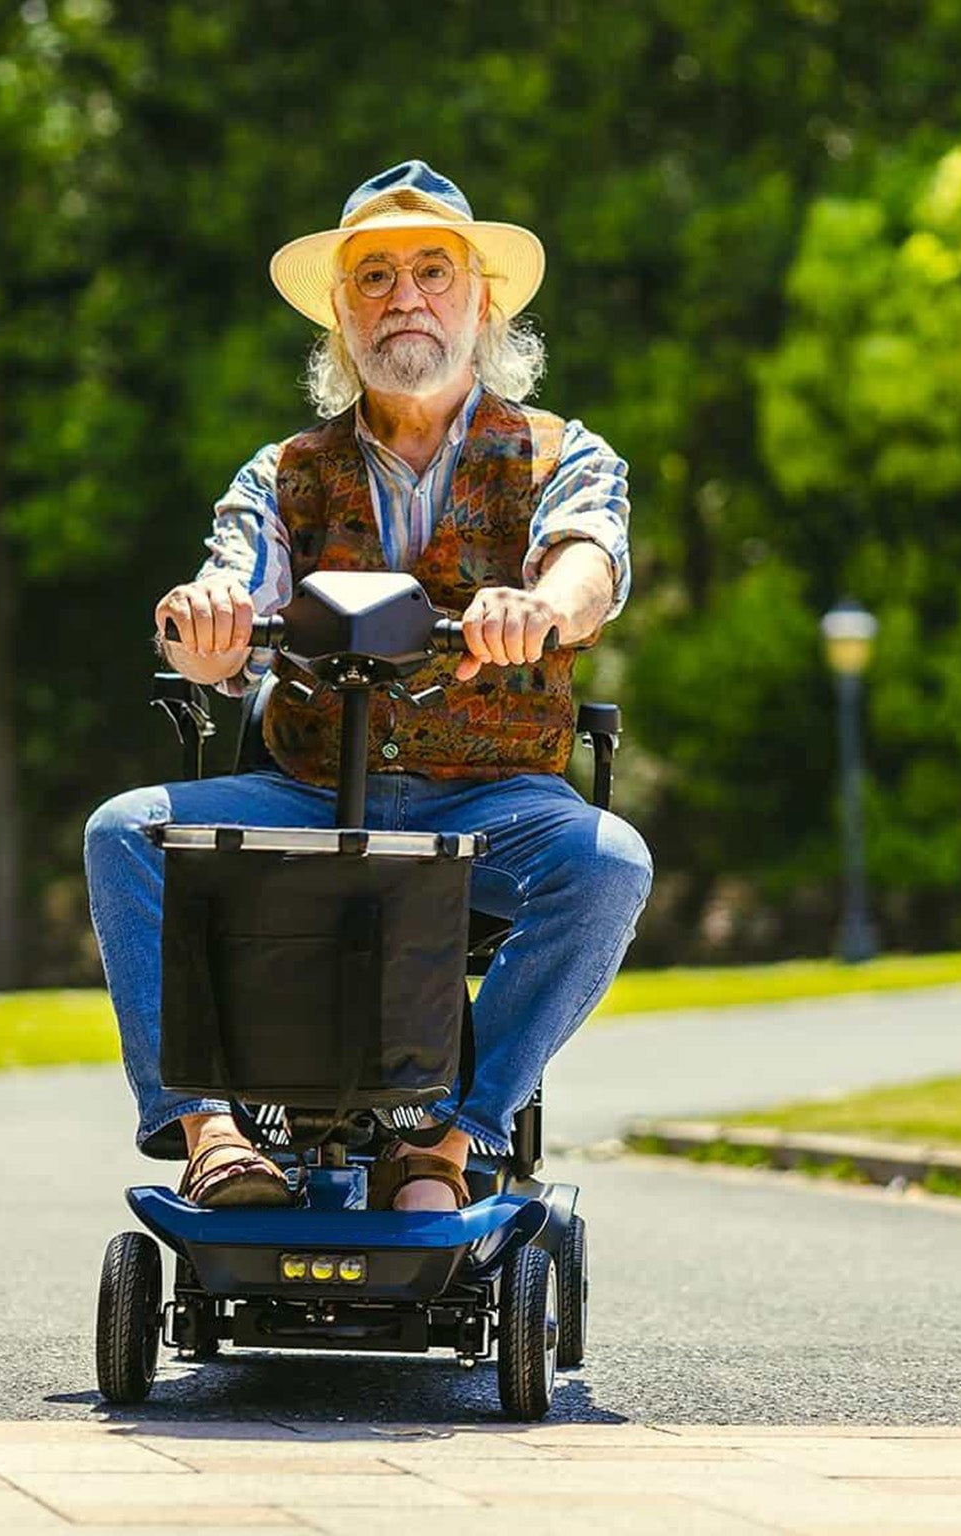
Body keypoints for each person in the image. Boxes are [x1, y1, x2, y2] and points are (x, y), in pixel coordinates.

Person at [85, 161, 652, 1213]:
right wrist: (207, 629)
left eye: (432, 271)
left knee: (609, 862)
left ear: (481, 301)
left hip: (490, 801)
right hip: (307, 788)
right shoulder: (285, 469)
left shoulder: (560, 453)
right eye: (375, 277)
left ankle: (446, 1141)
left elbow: (588, 563)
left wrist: (539, 606)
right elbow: (229, 592)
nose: (405, 298)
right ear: (340, 318)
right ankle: (211, 1133)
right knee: (123, 832)